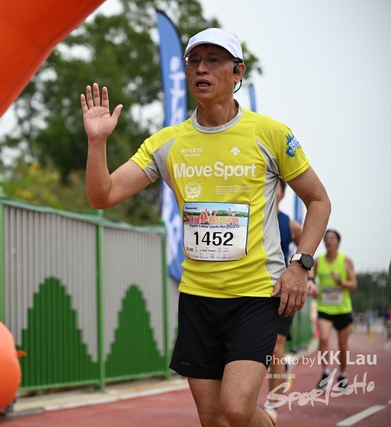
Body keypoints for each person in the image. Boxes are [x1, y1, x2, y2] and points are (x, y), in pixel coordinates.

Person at [80, 28, 331, 427]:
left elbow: (318, 200)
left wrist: (301, 265)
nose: (201, 68)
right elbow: (103, 195)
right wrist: (97, 143)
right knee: (213, 419)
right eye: (194, 61)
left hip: (256, 294)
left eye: (214, 60)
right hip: (198, 296)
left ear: (237, 72)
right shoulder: (167, 143)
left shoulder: (270, 133)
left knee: (236, 408)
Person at [262, 177, 303, 424]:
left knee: (276, 348)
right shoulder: (252, 219)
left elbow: (306, 253)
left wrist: (307, 277)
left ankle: (272, 403)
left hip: (282, 294)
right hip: (254, 292)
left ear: (283, 193)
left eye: (274, 186)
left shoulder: (291, 225)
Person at [307, 229, 357, 389]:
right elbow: (310, 276)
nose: (328, 241)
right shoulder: (318, 261)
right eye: (326, 238)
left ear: (338, 242)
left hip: (343, 309)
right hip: (325, 307)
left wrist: (340, 282)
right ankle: (326, 372)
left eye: (332, 238)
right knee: (323, 338)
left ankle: (342, 375)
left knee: (343, 345)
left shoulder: (346, 260)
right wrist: (312, 286)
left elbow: (354, 284)